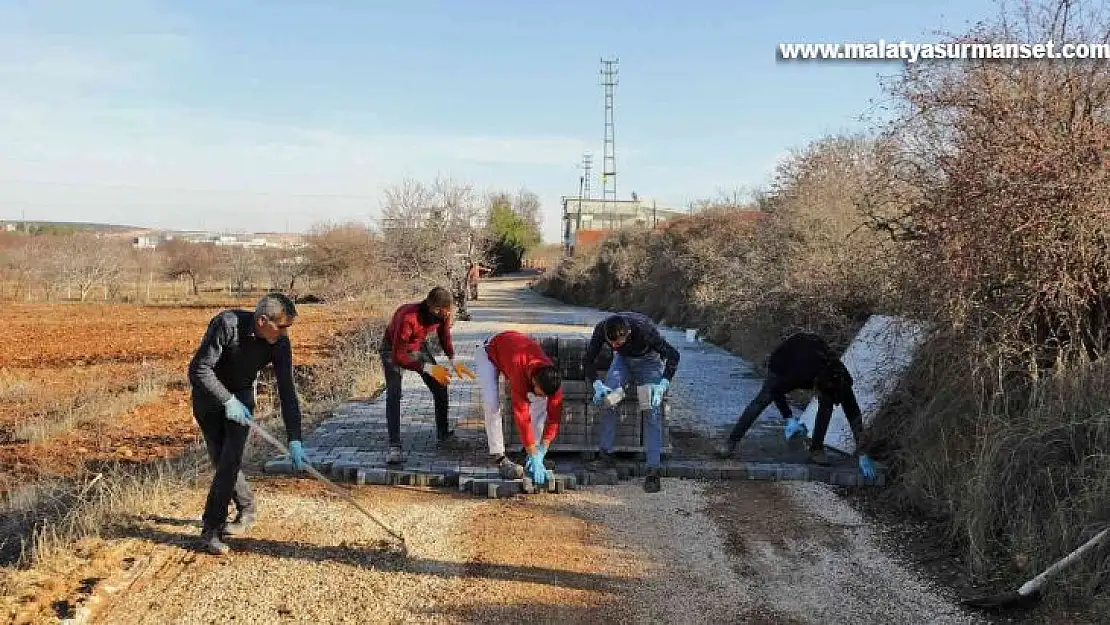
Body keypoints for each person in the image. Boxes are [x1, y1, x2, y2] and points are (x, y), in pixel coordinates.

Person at [187, 292, 310, 556]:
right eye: (283, 326)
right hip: (209, 397)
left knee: (230, 461)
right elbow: (199, 369)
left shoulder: (279, 344)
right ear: (263, 320)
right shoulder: (227, 324)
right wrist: (225, 400)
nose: (286, 333)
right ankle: (247, 507)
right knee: (221, 461)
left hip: (241, 396)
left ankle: (211, 529)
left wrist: (295, 438)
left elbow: (287, 391)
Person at [715, 332, 877, 479]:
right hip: (784, 359)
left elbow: (854, 413)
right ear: (814, 386)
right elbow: (777, 391)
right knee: (762, 400)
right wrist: (789, 417)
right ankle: (730, 443)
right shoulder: (798, 374)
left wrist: (862, 452)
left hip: (811, 354)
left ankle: (816, 449)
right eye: (821, 394)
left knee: (826, 406)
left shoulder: (842, 379)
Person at [584, 312, 680, 493]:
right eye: (610, 343)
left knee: (650, 408)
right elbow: (588, 360)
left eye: (618, 343)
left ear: (627, 334)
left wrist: (662, 384)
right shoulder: (601, 329)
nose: (613, 345)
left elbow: (674, 355)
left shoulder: (645, 331)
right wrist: (597, 384)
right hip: (622, 361)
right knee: (609, 400)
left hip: (648, 361)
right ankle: (606, 455)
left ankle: (653, 469)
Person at [379, 286, 475, 464]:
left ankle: (444, 436)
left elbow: (444, 335)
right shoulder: (408, 317)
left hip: (417, 347)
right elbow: (398, 356)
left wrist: (453, 360)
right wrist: (428, 368)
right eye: (445, 311)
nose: (448, 314)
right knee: (394, 394)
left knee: (440, 385)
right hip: (392, 349)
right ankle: (394, 446)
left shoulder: (443, 314)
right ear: (435, 308)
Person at [473, 330, 564, 484]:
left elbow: (554, 418)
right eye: (541, 392)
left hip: (511, 349)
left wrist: (542, 450)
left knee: (540, 404)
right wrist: (533, 451)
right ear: (534, 382)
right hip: (488, 352)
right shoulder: (520, 372)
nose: (543, 396)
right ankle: (499, 457)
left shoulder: (552, 380)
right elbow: (522, 417)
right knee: (491, 403)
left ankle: (531, 455)